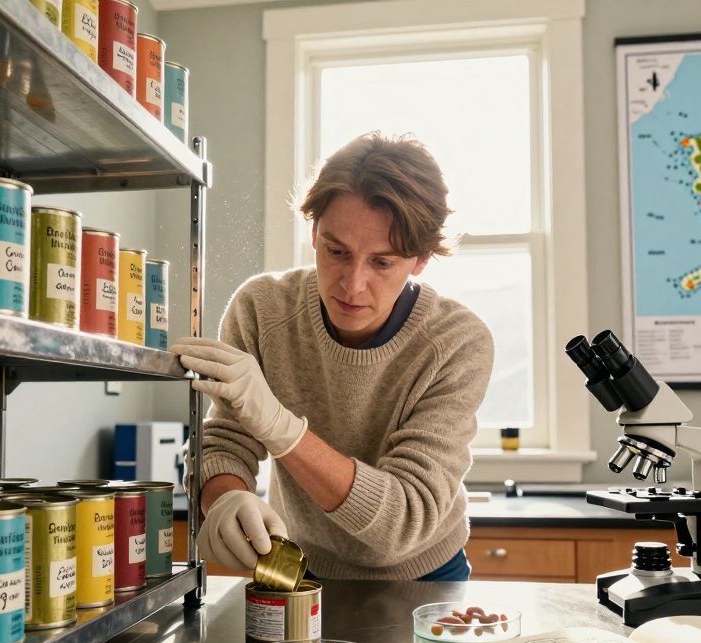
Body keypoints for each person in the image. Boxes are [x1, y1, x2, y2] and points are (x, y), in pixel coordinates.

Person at [171, 132, 494, 581]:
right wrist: (223, 497)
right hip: (298, 564)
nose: (352, 284)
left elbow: (404, 521)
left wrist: (283, 431)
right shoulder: (262, 310)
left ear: (420, 259)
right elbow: (227, 440)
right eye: (336, 251)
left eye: (382, 263)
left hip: (424, 574)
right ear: (314, 232)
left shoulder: (457, 342)